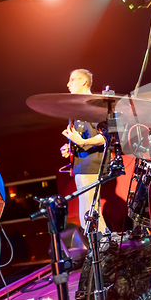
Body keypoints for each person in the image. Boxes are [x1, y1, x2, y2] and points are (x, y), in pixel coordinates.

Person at [60, 69, 108, 232]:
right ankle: (102, 249)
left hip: (91, 165)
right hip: (82, 166)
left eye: (72, 80)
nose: (68, 84)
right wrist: (70, 147)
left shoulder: (95, 105)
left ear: (83, 82)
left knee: (88, 216)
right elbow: (82, 137)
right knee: (90, 214)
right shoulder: (76, 110)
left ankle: (102, 251)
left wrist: (83, 142)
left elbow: (107, 136)